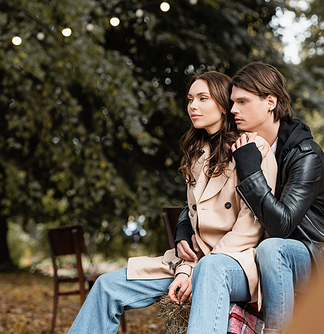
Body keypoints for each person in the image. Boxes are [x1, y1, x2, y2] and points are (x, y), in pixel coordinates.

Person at [67, 71, 277, 334]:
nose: (193, 106)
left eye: (203, 98)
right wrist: (187, 268)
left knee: (209, 272)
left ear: (224, 105)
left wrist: (195, 269)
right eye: (190, 99)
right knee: (107, 285)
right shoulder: (197, 155)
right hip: (193, 262)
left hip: (237, 263)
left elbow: (251, 228)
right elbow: (193, 223)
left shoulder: (253, 148)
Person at [175, 62, 324, 334]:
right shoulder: (244, 144)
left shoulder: (305, 154)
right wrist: (183, 227)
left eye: (242, 102)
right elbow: (199, 198)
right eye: (232, 102)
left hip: (315, 255)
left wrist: (251, 169)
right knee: (234, 260)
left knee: (272, 248)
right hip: (262, 255)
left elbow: (281, 225)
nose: (233, 110)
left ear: (270, 102)